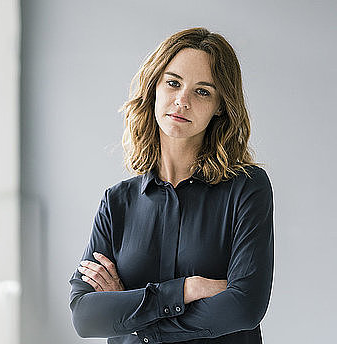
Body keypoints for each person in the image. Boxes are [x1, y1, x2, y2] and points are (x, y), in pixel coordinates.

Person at [68, 27, 274, 344]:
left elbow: (244, 307)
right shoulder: (118, 201)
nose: (182, 100)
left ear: (220, 105)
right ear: (155, 88)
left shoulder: (246, 189)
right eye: (173, 83)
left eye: (202, 91)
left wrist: (131, 317)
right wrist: (186, 290)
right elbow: (85, 315)